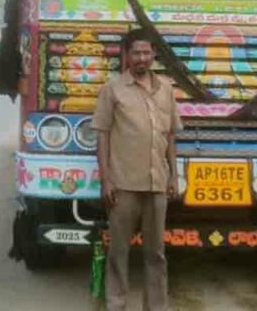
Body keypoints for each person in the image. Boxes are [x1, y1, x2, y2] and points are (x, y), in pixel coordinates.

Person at [92, 28, 183, 311]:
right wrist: (106, 180)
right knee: (119, 252)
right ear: (126, 55)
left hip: (157, 185)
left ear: (153, 54)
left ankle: (156, 306)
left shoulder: (166, 88)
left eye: (146, 52)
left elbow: (170, 135)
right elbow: (103, 136)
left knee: (156, 253)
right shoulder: (113, 90)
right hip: (123, 186)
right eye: (136, 53)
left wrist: (174, 175)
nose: (142, 58)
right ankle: (116, 303)